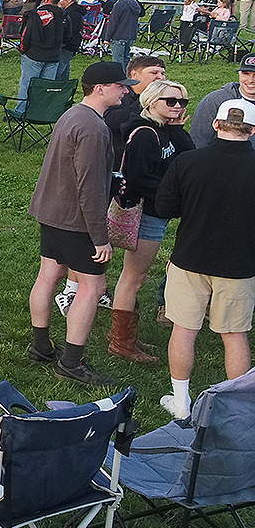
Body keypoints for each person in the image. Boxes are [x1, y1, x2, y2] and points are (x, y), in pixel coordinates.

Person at [26, 61, 135, 387]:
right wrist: (100, 238)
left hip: (51, 212)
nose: (125, 91)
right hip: (75, 221)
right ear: (100, 89)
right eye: (120, 86)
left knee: (48, 275)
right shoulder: (93, 129)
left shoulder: (72, 114)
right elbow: (89, 188)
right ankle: (71, 363)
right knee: (93, 287)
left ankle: (41, 347)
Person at [153, 97, 255, 419]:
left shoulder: (188, 162)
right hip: (240, 264)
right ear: (252, 130)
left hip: (189, 259)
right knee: (234, 335)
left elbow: (164, 207)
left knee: (184, 329)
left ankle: (181, 403)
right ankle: (237, 409)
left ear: (215, 125)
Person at [107, 79, 195, 364]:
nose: (178, 106)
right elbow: (138, 179)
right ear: (151, 101)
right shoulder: (146, 134)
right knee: (133, 278)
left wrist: (177, 127)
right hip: (147, 214)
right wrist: (171, 200)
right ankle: (121, 342)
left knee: (135, 277)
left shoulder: (164, 130)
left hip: (158, 213)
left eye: (182, 102)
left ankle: (124, 335)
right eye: (171, 101)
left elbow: (189, 158)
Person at [189, 54, 255, 148]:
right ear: (239, 74)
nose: (251, 80)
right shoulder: (215, 100)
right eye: (246, 74)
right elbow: (199, 140)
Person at [15, 0, 63, 108]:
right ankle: (40, 112)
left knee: (27, 85)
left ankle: (21, 111)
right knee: (45, 87)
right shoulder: (63, 15)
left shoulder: (35, 14)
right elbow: (68, 35)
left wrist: (23, 49)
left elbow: (26, 34)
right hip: (53, 56)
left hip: (34, 55)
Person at [102, 0, 142, 66]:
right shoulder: (135, 3)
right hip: (131, 35)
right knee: (126, 59)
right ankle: (127, 74)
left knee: (117, 62)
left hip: (119, 36)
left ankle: (120, 75)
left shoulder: (119, 4)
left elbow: (113, 22)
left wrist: (107, 38)